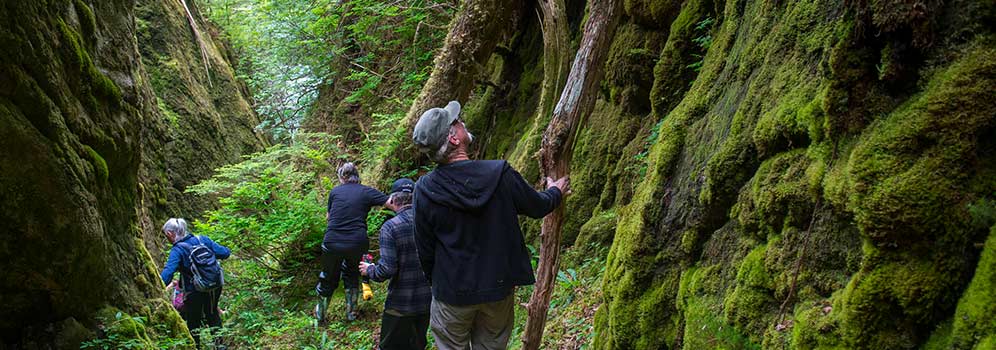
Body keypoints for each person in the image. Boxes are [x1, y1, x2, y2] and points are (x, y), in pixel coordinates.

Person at [411, 101, 568, 349]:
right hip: (497, 290)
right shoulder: (500, 173)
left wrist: (440, 283)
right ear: (453, 139)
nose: (462, 121)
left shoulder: (424, 190)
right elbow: (537, 207)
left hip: (451, 293)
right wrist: (555, 193)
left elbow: (425, 248)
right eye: (457, 121)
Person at [359, 178, 431, 350]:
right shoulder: (430, 223)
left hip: (400, 303)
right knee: (418, 345)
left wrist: (369, 270)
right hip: (428, 300)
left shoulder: (390, 228)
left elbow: (387, 269)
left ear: (392, 200)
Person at [316, 162, 389, 322]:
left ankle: (320, 317)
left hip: (333, 241)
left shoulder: (335, 192)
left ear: (342, 177)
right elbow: (390, 202)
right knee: (352, 274)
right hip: (357, 242)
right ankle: (351, 314)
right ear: (357, 176)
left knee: (328, 276)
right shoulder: (366, 191)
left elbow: (329, 217)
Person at [160, 218, 231, 348]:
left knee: (193, 321)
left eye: (166, 236)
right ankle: (220, 346)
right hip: (214, 286)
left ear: (171, 234)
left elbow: (168, 273)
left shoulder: (178, 250)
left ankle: (195, 347)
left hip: (194, 290)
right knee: (212, 314)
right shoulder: (203, 240)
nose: (167, 239)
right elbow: (225, 253)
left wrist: (157, 286)